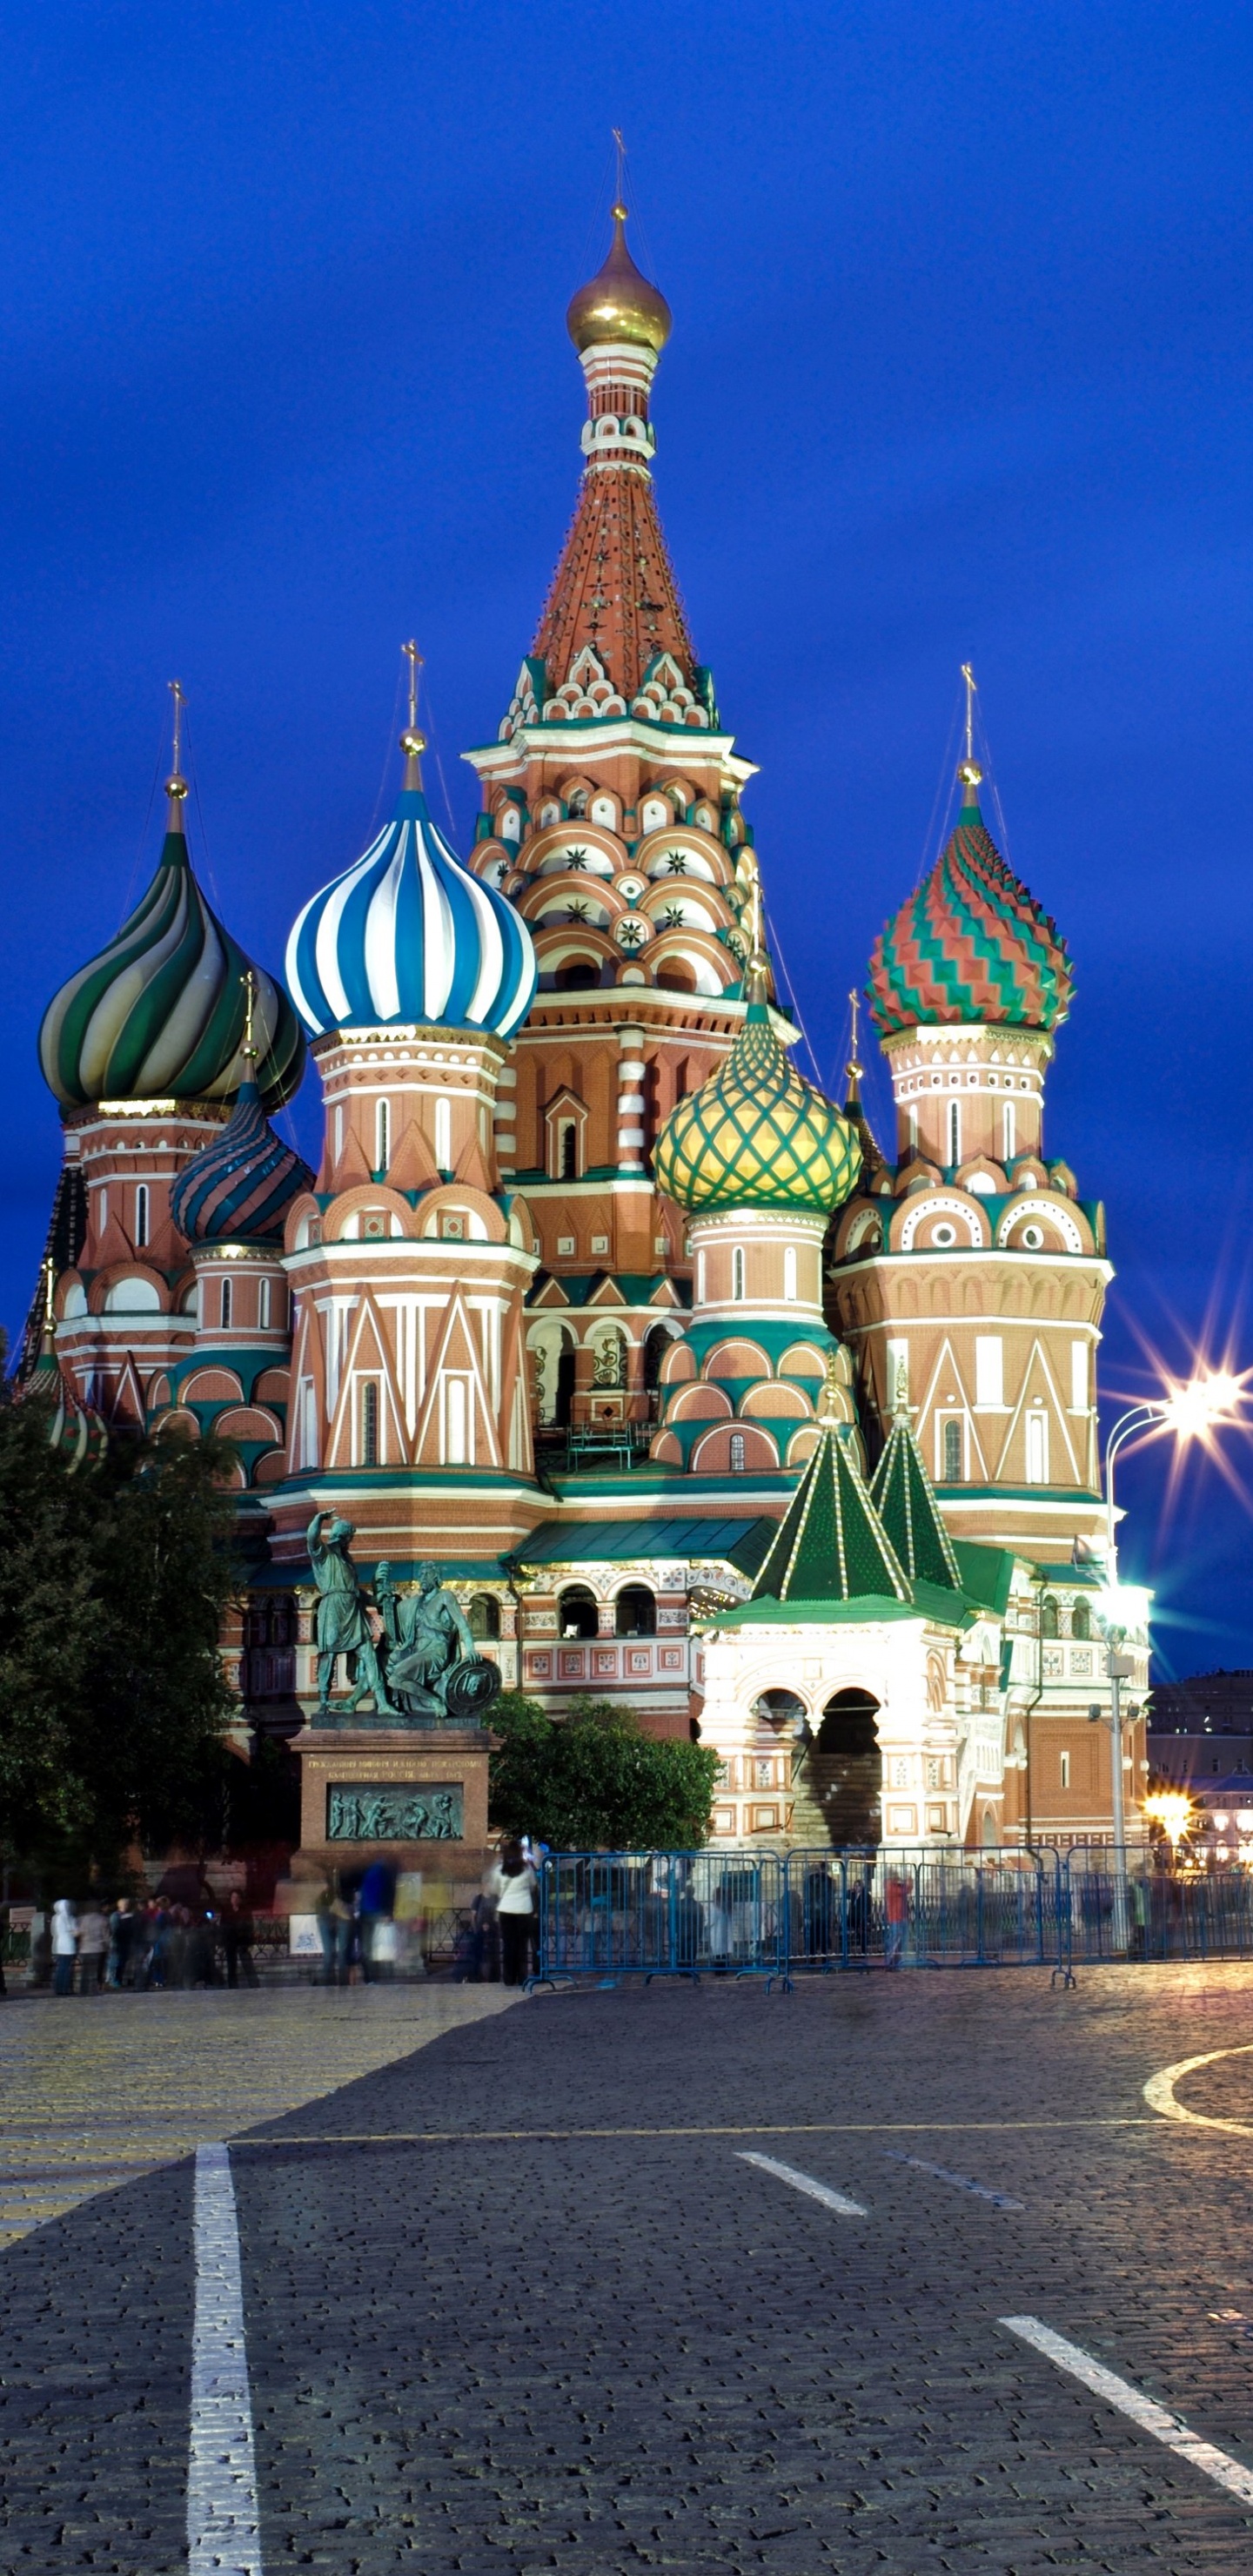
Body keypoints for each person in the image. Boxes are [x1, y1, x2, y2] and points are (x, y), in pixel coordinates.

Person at [489, 1840, 538, 1987]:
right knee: (522, 1945)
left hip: (506, 1910)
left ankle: (509, 1978)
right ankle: (522, 1977)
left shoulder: (499, 1870)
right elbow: (533, 1885)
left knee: (508, 1945)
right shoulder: (527, 1869)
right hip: (524, 1910)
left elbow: (494, 1889)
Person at [221, 1890, 258, 1989]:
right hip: (230, 1942)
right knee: (231, 1966)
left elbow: (250, 1927)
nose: (235, 1900)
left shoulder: (245, 1910)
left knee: (248, 1965)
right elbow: (223, 1926)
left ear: (240, 1899)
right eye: (233, 1897)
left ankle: (254, 1986)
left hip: (243, 1941)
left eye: (237, 1897)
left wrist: (250, 1942)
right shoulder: (226, 1910)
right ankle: (233, 1987)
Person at [77, 1902, 108, 1993]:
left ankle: (84, 1989)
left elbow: (78, 1934)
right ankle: (96, 1988)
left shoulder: (81, 1920)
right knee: (98, 1970)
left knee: (85, 1971)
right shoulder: (103, 1919)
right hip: (99, 1948)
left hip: (85, 1948)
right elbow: (106, 1935)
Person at [51, 1898, 78, 1996]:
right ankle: (66, 1988)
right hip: (68, 1944)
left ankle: (59, 1988)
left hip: (58, 1945)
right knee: (66, 1968)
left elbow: (53, 1932)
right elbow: (75, 1932)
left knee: (61, 1968)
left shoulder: (55, 1917)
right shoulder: (69, 1918)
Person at [884, 1872, 909, 1969]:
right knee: (895, 1941)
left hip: (901, 1917)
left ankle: (898, 1962)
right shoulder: (892, 1887)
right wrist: (908, 1879)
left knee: (901, 1942)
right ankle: (891, 1962)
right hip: (895, 1918)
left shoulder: (896, 1886)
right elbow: (905, 1890)